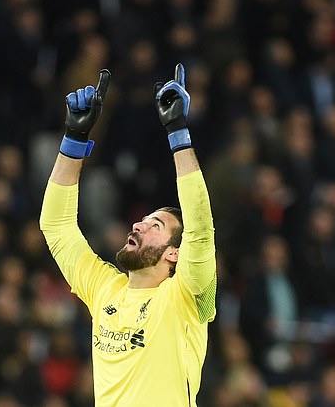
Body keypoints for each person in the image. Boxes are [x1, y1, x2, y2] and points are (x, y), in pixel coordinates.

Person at [39, 63, 217, 406]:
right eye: (144, 220)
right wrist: (73, 140)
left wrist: (178, 133)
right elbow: (56, 226)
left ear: (174, 253)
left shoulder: (186, 296)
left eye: (155, 226)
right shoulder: (105, 289)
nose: (138, 225)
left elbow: (200, 230)